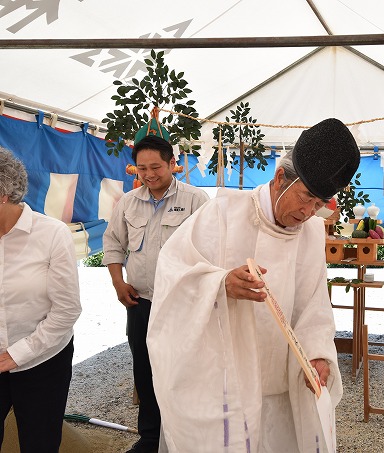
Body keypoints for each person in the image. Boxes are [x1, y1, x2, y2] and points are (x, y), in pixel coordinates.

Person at [146, 118, 359, 452]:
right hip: (224, 382)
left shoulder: (314, 232)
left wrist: (317, 355)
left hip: (283, 386)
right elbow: (173, 274)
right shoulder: (223, 214)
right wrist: (220, 284)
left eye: (318, 205)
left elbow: (314, 305)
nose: (307, 212)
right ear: (279, 179)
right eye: (304, 198)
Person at [102, 134, 210, 453]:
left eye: (156, 167)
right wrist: (118, 282)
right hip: (141, 304)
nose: (149, 174)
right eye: (142, 168)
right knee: (145, 369)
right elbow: (113, 243)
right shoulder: (128, 202)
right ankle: (150, 436)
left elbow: (212, 247)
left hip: (182, 305)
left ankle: (184, 437)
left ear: (172, 164)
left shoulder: (195, 200)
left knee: (182, 370)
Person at [0, 147, 82, 452]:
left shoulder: (51, 234)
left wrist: (18, 353)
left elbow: (67, 310)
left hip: (43, 359)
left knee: (39, 442)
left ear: (4, 193)